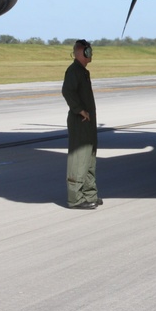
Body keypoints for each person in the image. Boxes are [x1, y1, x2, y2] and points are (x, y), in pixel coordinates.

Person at [62, 39, 101, 210]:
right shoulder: (74, 71)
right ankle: (75, 198)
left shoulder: (83, 71)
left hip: (88, 124)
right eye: (88, 52)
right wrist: (79, 110)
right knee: (79, 159)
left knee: (89, 158)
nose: (90, 55)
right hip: (80, 122)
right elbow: (67, 91)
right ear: (82, 53)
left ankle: (90, 194)